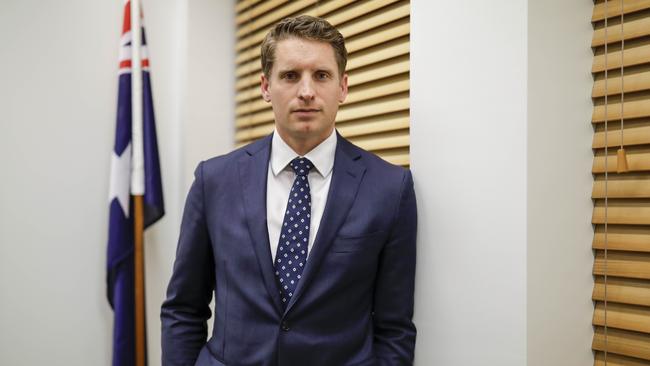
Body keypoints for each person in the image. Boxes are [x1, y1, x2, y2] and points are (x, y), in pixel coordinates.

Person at [161, 15, 417, 366]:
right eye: (290, 75)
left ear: (342, 87)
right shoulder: (214, 180)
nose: (307, 91)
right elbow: (184, 309)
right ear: (266, 87)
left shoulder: (390, 188)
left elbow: (394, 328)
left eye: (321, 75)